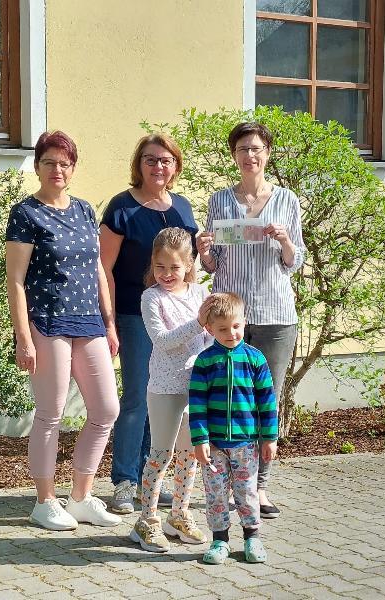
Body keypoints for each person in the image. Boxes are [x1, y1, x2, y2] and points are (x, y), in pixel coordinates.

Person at [6, 130, 121, 531]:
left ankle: (81, 497)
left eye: (65, 163)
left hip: (89, 322)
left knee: (106, 409)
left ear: (73, 169)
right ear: (37, 166)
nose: (58, 169)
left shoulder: (86, 211)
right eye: (50, 162)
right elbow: (16, 281)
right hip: (48, 323)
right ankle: (44, 502)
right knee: (50, 414)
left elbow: (97, 271)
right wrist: (23, 337)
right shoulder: (25, 213)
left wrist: (109, 323)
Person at [195, 121, 305, 519]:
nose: (250, 155)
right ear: (234, 155)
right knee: (226, 400)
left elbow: (295, 263)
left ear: (267, 153)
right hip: (229, 319)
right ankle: (225, 483)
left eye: (256, 148)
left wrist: (285, 242)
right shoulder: (220, 201)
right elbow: (213, 266)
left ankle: (259, 489)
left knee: (264, 403)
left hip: (275, 315)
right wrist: (204, 250)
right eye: (243, 149)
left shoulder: (287, 200)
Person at [100, 134, 199, 514]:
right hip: (134, 313)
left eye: (166, 160)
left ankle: (151, 479)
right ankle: (124, 480)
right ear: (138, 164)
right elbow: (103, 269)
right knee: (138, 397)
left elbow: (187, 264)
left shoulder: (183, 208)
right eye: (150, 160)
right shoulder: (121, 208)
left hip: (179, 317)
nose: (158, 167)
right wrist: (109, 321)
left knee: (165, 397)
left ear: (175, 166)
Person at [129, 228, 212, 552]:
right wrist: (199, 324)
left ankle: (178, 515)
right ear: (153, 263)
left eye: (174, 268)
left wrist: (210, 333)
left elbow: (205, 340)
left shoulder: (198, 294)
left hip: (196, 387)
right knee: (160, 456)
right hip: (165, 389)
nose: (166, 274)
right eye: (160, 266)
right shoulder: (151, 297)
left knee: (189, 456)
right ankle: (146, 521)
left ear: (189, 263)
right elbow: (163, 341)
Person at [189, 292, 278, 565]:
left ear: (244, 322)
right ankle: (220, 541)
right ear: (210, 329)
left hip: (246, 444)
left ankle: (252, 537)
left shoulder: (255, 359)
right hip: (214, 445)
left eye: (236, 327)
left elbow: (267, 400)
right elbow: (197, 403)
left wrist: (269, 437)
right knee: (215, 493)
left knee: (247, 492)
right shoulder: (205, 361)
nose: (231, 334)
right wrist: (200, 439)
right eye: (223, 329)